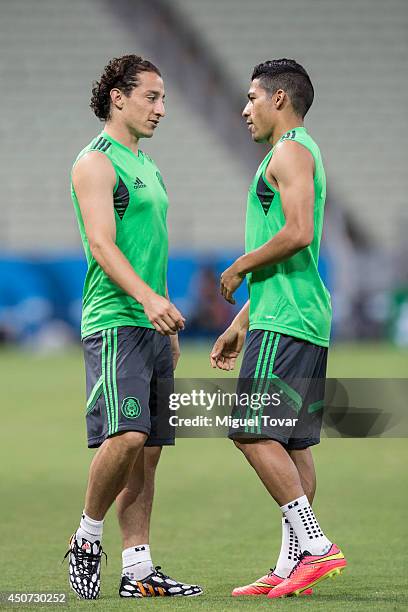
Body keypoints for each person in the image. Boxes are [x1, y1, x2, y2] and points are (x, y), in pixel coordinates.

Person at [67, 54, 202, 600]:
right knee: (127, 435)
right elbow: (101, 245)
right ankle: (86, 535)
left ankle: (139, 569)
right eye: (152, 97)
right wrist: (147, 300)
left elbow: (154, 250)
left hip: (150, 322)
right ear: (118, 97)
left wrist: (164, 315)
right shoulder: (95, 163)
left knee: (149, 451)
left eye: (164, 98)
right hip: (115, 320)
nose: (161, 108)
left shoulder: (148, 165)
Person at [210, 59, 347, 598]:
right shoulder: (302, 153)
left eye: (252, 98)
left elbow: (298, 232)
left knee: (249, 428)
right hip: (297, 314)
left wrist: (240, 265)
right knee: (291, 444)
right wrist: (242, 320)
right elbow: (297, 252)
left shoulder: (288, 152)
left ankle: (314, 546)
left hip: (288, 321)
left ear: (280, 100)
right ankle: (292, 567)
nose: (245, 109)